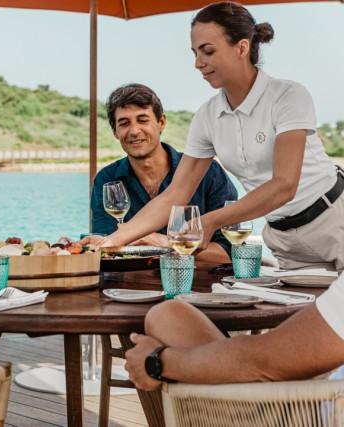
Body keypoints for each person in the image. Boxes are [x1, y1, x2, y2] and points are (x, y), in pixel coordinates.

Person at [89, 1, 344, 271]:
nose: (198, 63)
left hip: (333, 221)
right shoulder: (207, 116)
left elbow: (284, 185)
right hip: (283, 239)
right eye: (195, 53)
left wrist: (211, 221)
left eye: (208, 51)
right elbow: (174, 195)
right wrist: (111, 241)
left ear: (241, 47)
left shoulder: (288, 96)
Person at [91, 83, 236, 263]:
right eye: (124, 123)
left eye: (143, 120)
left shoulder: (208, 172)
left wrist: (163, 242)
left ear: (161, 123)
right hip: (130, 280)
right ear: (115, 132)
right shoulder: (106, 180)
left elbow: (228, 255)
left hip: (198, 280)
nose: (134, 131)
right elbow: (106, 250)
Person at [124, 272, 344, 389]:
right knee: (169, 315)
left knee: (168, 319)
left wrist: (157, 362)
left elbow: (267, 362)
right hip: (321, 393)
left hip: (317, 412)